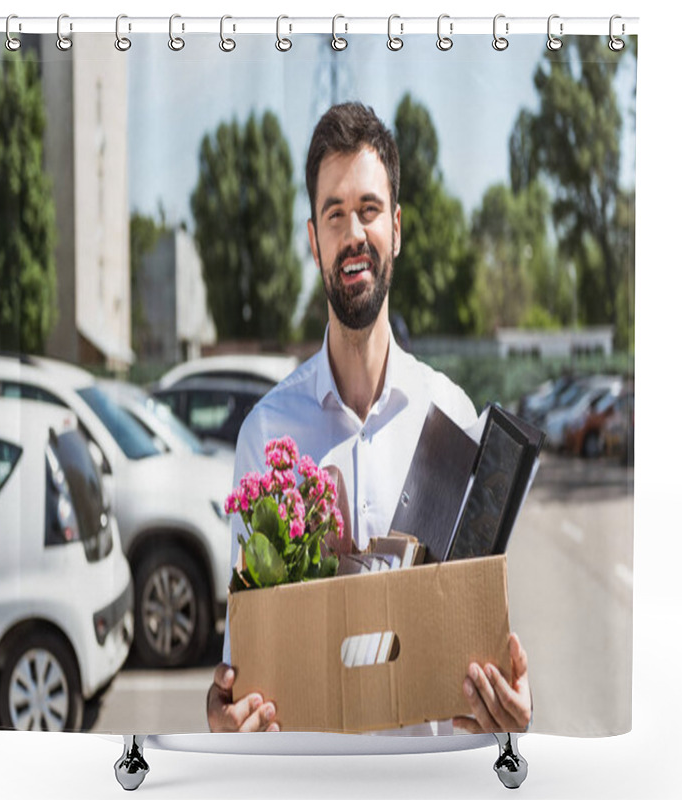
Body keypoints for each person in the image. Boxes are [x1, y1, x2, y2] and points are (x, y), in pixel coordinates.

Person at [206, 102, 532, 736]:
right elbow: (243, 659)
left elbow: (483, 645)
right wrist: (225, 716)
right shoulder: (266, 438)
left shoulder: (454, 421)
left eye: (369, 209)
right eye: (334, 214)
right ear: (312, 240)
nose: (353, 232)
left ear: (398, 228)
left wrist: (507, 710)